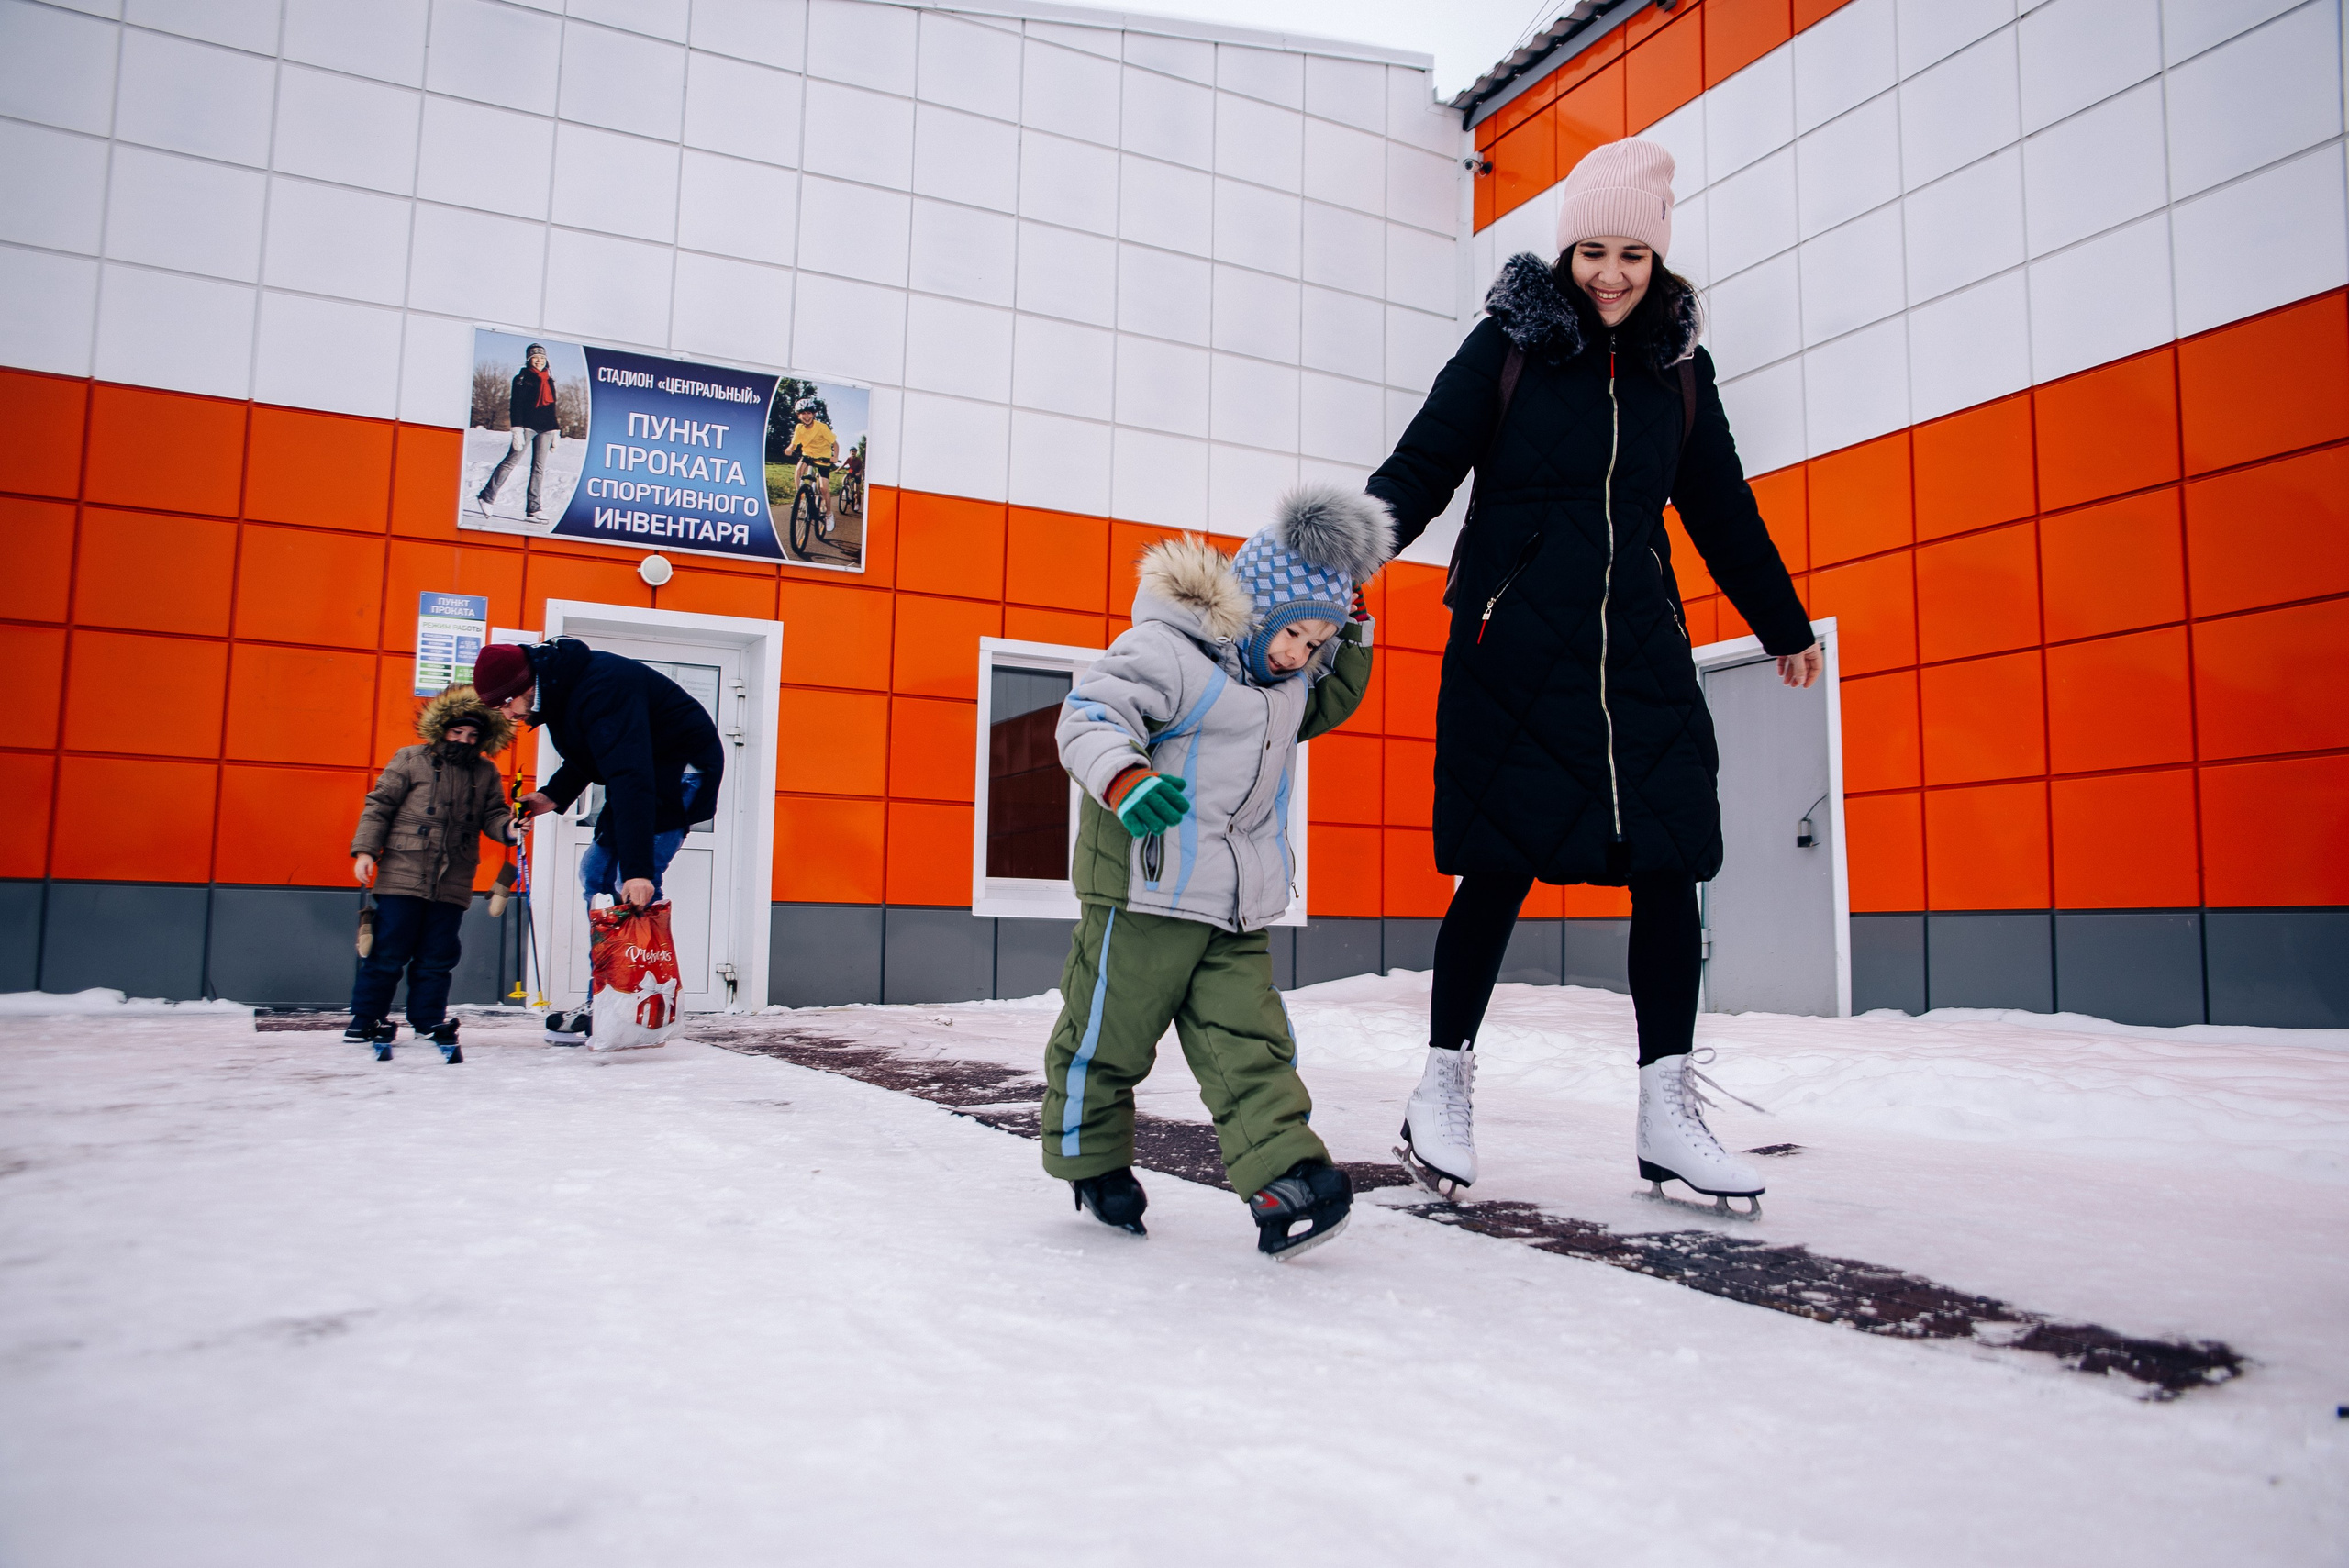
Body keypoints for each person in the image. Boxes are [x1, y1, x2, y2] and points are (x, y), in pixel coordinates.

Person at [1368, 139, 1822, 1217]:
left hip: (1640, 658)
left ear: (1658, 262)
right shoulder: (1508, 346)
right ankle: (1442, 1084)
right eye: (1591, 251)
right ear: (1564, 249)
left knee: (1670, 869)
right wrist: (1331, 561)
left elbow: (1720, 510)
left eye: (1631, 254)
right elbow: (1421, 463)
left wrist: (1783, 622)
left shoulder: (1680, 372)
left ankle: (1667, 1116)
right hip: (1512, 643)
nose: (1610, 274)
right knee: (1497, 864)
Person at [1042, 487, 1390, 1260]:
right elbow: (1089, 716)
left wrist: (1353, 634)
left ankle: (1287, 1175)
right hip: (1145, 891)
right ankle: (1089, 1158)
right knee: (1109, 1037)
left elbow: (1332, 695)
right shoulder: (1168, 651)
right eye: (1294, 633)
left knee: (1251, 1040)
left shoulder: (1288, 687)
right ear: (1256, 606)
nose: (1300, 653)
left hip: (1234, 906)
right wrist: (1126, 780)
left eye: (1316, 641)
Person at [469, 639, 727, 1045]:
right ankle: (607, 1001)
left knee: (629, 884)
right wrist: (552, 796)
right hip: (643, 770)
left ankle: (637, 1007)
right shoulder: (560, 691)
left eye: (506, 703)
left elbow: (631, 776)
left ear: (525, 684)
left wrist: (640, 869)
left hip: (678, 774)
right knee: (596, 873)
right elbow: (593, 755)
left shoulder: (601, 687)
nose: (507, 714)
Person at [345, 690, 517, 1062]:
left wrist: (509, 828)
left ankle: (427, 1020)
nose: (464, 742)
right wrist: (364, 851)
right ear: (442, 729)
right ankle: (364, 1019)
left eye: (472, 737)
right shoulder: (410, 759)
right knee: (389, 950)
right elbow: (380, 805)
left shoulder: (485, 772)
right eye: (457, 734)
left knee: (438, 955)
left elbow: (494, 814)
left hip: (453, 877)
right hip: (403, 871)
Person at [477, 343, 562, 520]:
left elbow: (552, 408)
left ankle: (534, 508)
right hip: (526, 427)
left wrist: (556, 431)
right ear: (529, 359)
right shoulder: (522, 378)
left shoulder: (549, 380)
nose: (539, 361)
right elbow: (515, 406)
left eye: (542, 357)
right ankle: (487, 497)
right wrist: (516, 430)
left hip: (546, 429)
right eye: (535, 357)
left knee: (539, 468)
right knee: (511, 461)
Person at [783, 400, 839, 534]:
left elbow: (835, 444)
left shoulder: (821, 427)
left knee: (823, 488)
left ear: (813, 414)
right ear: (798, 415)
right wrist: (789, 449)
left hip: (823, 458)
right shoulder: (799, 428)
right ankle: (800, 500)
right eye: (803, 413)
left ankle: (829, 514)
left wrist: (835, 457)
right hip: (808, 455)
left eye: (809, 413)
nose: (806, 416)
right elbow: (794, 444)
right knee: (798, 472)